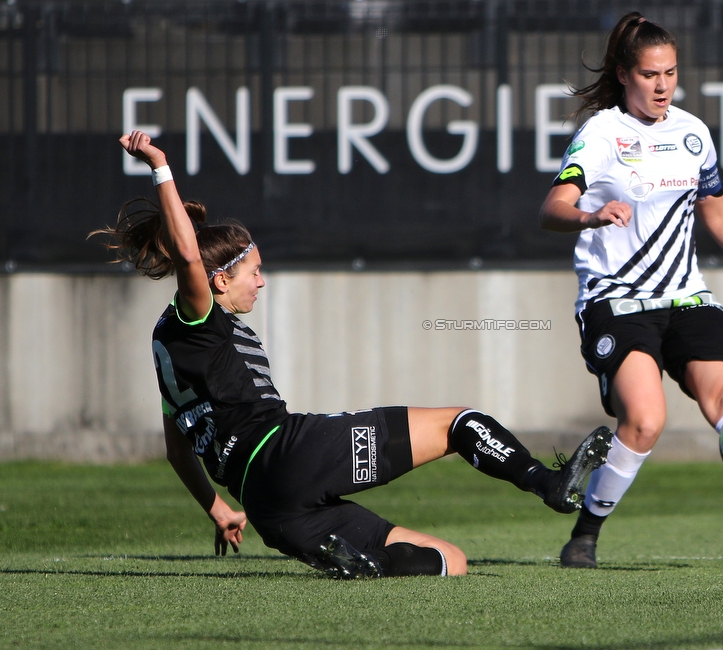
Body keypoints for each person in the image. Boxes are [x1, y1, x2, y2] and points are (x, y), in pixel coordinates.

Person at [93, 130, 613, 579]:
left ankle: (359, 560)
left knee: (450, 560)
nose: (261, 282)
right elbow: (188, 254)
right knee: (461, 422)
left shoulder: (168, 344)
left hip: (269, 510)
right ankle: (548, 482)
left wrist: (219, 509)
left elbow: (178, 448)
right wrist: (161, 168)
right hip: (289, 453)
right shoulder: (199, 316)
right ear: (219, 280)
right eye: (253, 272)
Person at [538, 13, 723, 569]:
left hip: (687, 298)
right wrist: (589, 216)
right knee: (646, 419)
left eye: (670, 72)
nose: (663, 85)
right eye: (650, 74)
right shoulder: (601, 134)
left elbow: (716, 213)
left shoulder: (693, 133)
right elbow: (551, 210)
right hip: (617, 304)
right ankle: (585, 535)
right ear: (624, 75)